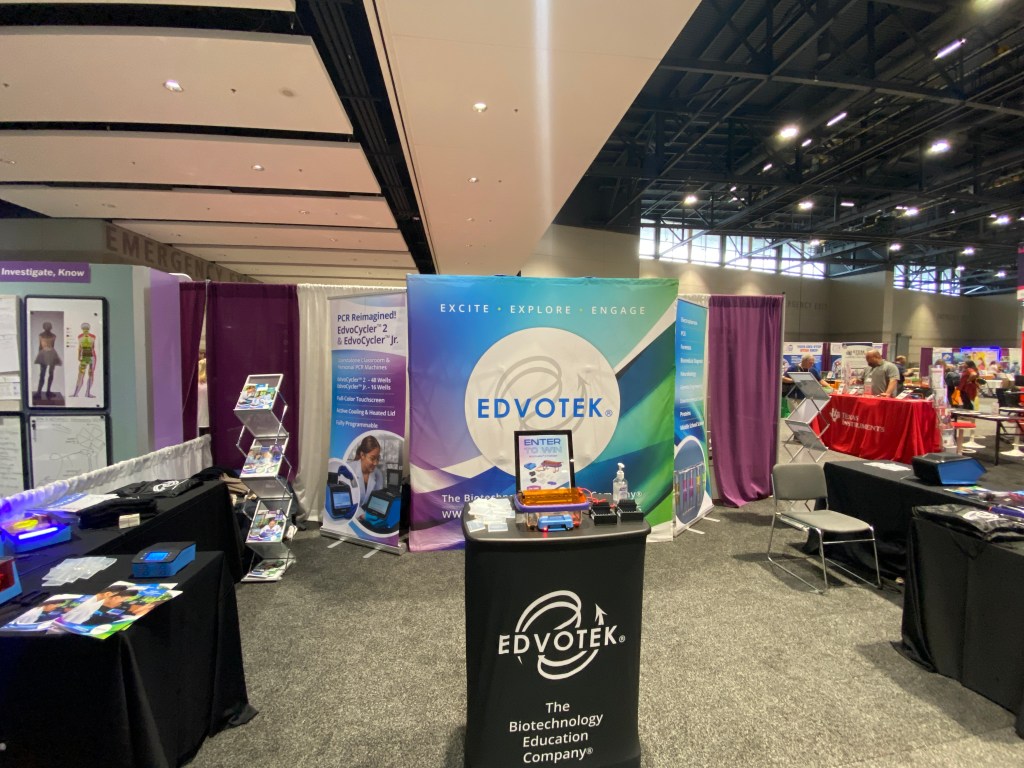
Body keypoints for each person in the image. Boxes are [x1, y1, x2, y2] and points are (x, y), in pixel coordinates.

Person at [346, 434, 385, 505]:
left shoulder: (378, 474)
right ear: (362, 455)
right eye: (372, 458)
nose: (376, 463)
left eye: (378, 458)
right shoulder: (348, 469)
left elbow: (378, 500)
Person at [33, 321, 62, 400]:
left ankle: (47, 391)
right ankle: (39, 392)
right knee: (43, 374)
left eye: (48, 326)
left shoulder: (53, 336)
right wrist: (40, 356)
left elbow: (50, 346)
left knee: (50, 373)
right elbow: (41, 346)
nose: (47, 328)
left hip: (50, 354)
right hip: (45, 354)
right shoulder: (41, 335)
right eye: (46, 326)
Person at [72, 322, 97, 398]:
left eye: (86, 329)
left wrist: (79, 356)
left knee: (89, 374)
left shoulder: (84, 336)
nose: (85, 330)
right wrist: (79, 356)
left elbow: (83, 348)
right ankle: (77, 393)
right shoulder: (85, 336)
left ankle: (84, 393)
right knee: (82, 374)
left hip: (90, 356)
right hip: (88, 356)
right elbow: (81, 348)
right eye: (84, 329)